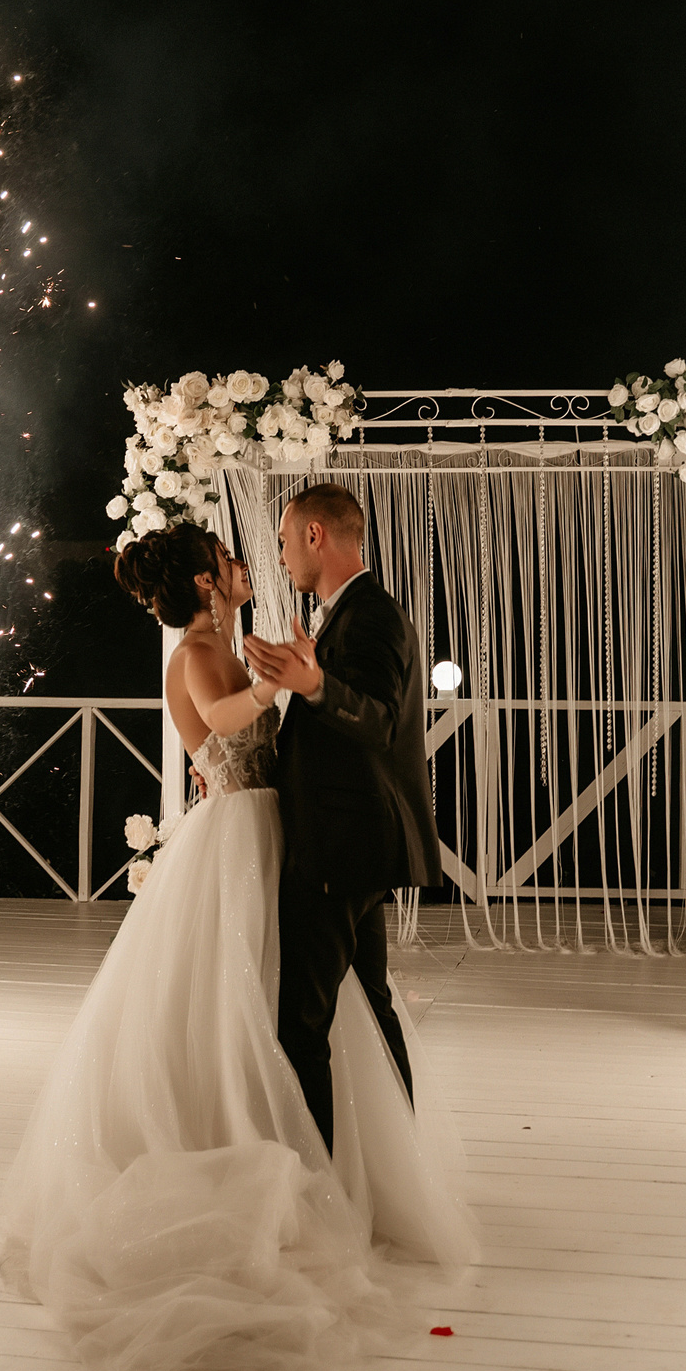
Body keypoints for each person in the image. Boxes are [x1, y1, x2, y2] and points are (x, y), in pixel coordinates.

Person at [0, 519, 475, 1371]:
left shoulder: (220, 637)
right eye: (229, 559)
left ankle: (322, 1162)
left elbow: (236, 737)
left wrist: (280, 688)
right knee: (250, 1008)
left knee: (276, 1004)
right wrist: (272, 688)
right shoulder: (198, 648)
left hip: (263, 826)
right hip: (240, 837)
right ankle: (274, 1159)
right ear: (207, 582)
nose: (247, 564)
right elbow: (216, 716)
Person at [242, 483, 447, 1153]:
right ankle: (399, 1166)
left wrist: (316, 685)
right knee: (373, 1008)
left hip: (339, 847)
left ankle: (316, 1188)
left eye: (281, 540)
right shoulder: (342, 615)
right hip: (354, 845)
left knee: (301, 1025)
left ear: (315, 535)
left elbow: (380, 719)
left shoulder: (374, 616)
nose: (278, 557)